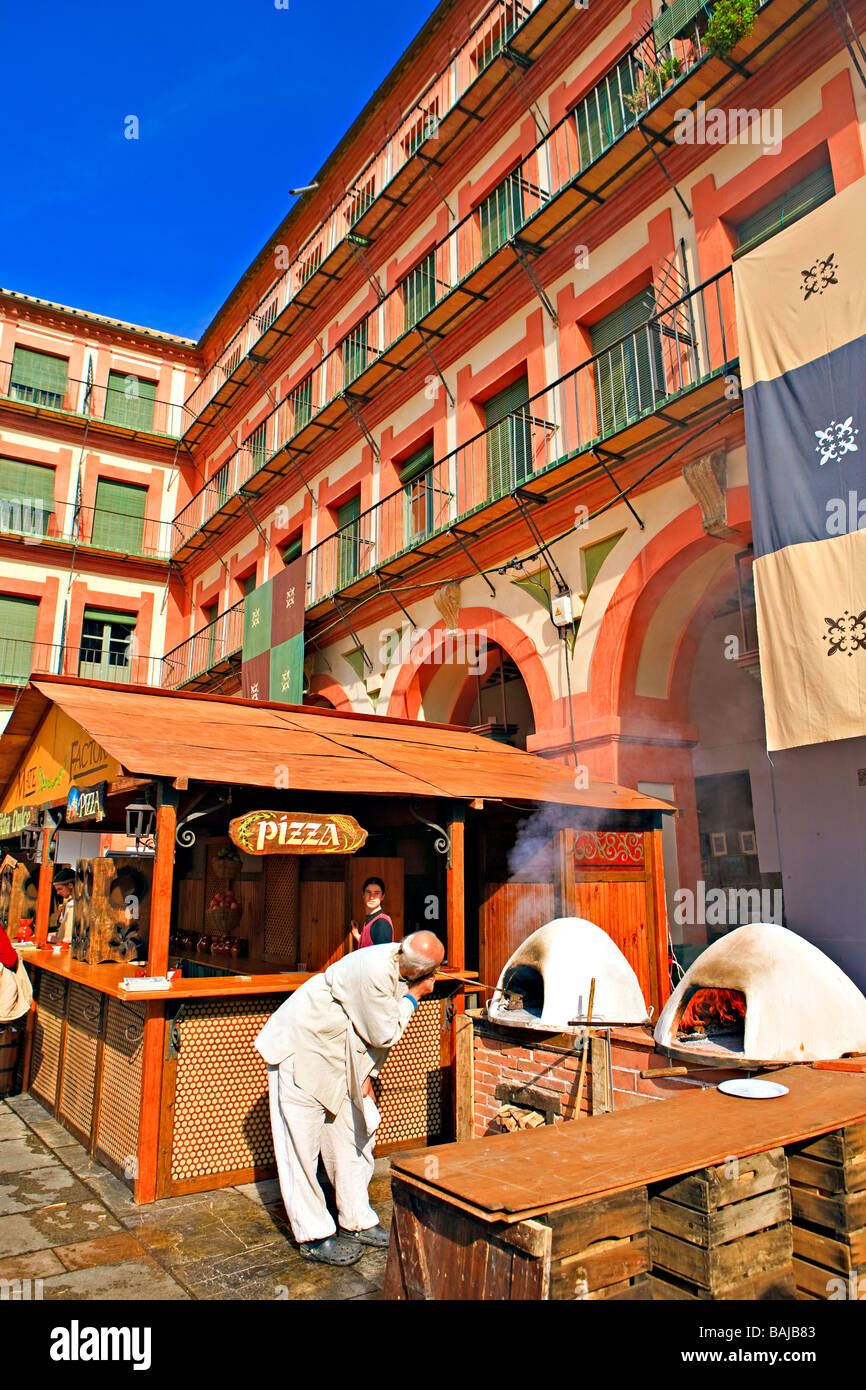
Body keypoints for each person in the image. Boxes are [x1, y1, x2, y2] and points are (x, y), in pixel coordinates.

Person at [255, 929, 445, 1266]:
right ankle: (313, 1235)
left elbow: (370, 1027)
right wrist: (415, 995)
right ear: (417, 970)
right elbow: (384, 1032)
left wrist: (367, 1074)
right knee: (301, 1147)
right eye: (431, 972)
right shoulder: (375, 972)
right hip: (304, 1047)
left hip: (341, 1056)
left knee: (352, 1134)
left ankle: (356, 1220)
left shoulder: (399, 959)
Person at [350, 876, 393, 949]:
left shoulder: (381, 923)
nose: (372, 897)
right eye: (368, 892)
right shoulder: (371, 919)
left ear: (382, 896)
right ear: (363, 894)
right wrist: (357, 935)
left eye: (376, 893)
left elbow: (382, 957)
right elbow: (369, 946)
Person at [47, 868, 75, 945]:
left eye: (60, 889)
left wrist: (58, 939)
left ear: (70, 885)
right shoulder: (69, 903)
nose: (58, 893)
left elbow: (70, 937)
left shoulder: (76, 906)